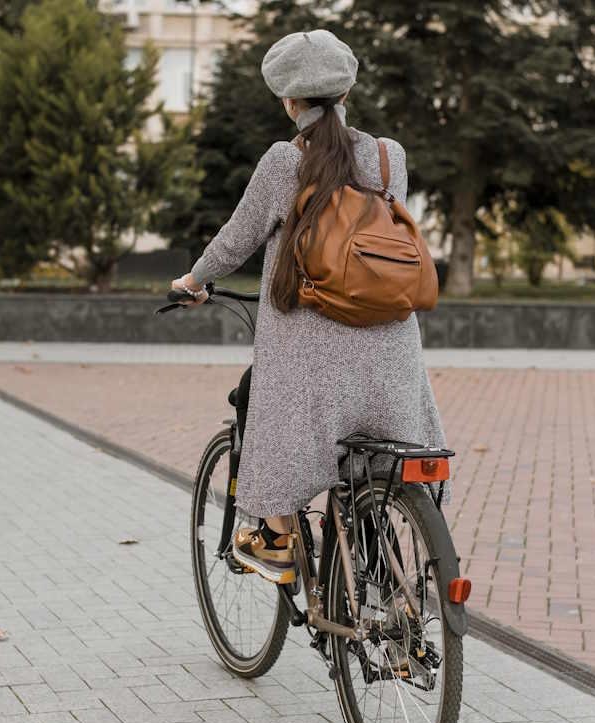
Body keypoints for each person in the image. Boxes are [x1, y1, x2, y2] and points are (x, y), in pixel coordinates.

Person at [171, 29, 446, 585]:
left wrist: (193, 281)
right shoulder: (390, 157)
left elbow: (235, 240)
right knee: (382, 461)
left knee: (265, 401)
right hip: (393, 355)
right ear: (346, 92)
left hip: (310, 361)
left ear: (287, 101)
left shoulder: (283, 162)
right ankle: (388, 590)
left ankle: (274, 535)